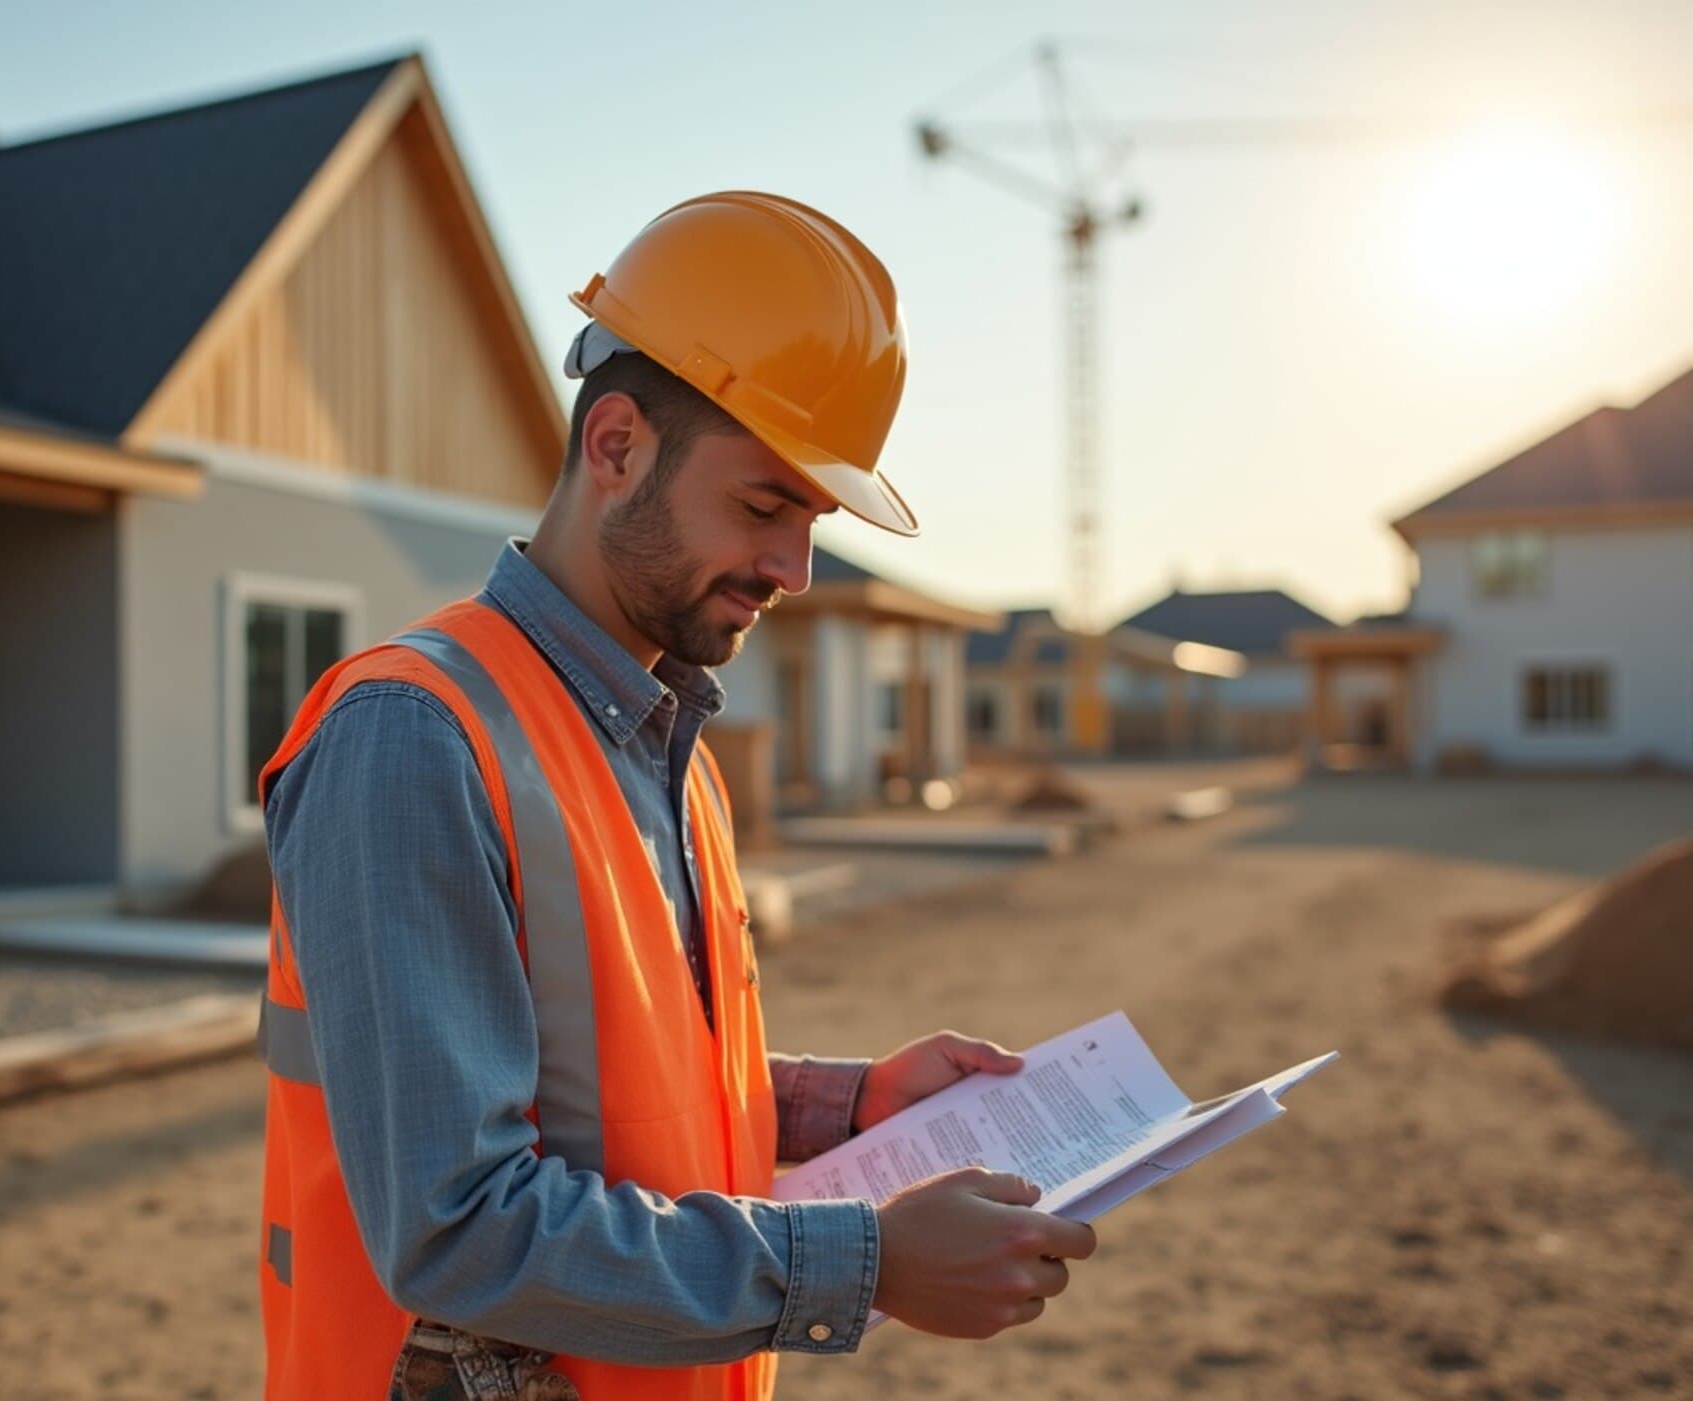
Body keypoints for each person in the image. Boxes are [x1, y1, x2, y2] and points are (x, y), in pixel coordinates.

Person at [255, 191, 1098, 1401]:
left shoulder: (668, 749)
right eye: (763, 506)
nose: (792, 571)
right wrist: (868, 1266)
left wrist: (845, 1105)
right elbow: (457, 1228)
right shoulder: (413, 737)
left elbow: (620, 1094)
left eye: (808, 521)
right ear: (614, 446)